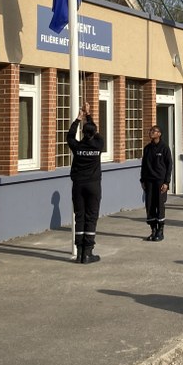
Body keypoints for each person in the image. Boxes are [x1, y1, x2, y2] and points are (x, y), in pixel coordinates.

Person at [67, 103, 105, 264]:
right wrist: (88, 115)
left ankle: (80, 253)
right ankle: (88, 253)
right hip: (93, 185)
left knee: (80, 217)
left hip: (78, 185)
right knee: (91, 216)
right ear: (94, 133)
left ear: (82, 132)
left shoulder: (77, 146)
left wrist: (78, 118)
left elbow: (70, 136)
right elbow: (95, 131)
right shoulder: (99, 144)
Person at [140, 125, 172, 241]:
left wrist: (166, 182)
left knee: (160, 205)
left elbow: (169, 165)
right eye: (150, 131)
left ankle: (160, 231)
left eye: (154, 131)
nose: (151, 132)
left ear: (159, 134)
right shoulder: (147, 148)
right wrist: (142, 180)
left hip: (160, 181)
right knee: (149, 205)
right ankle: (153, 230)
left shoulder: (164, 148)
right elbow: (144, 165)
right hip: (149, 181)